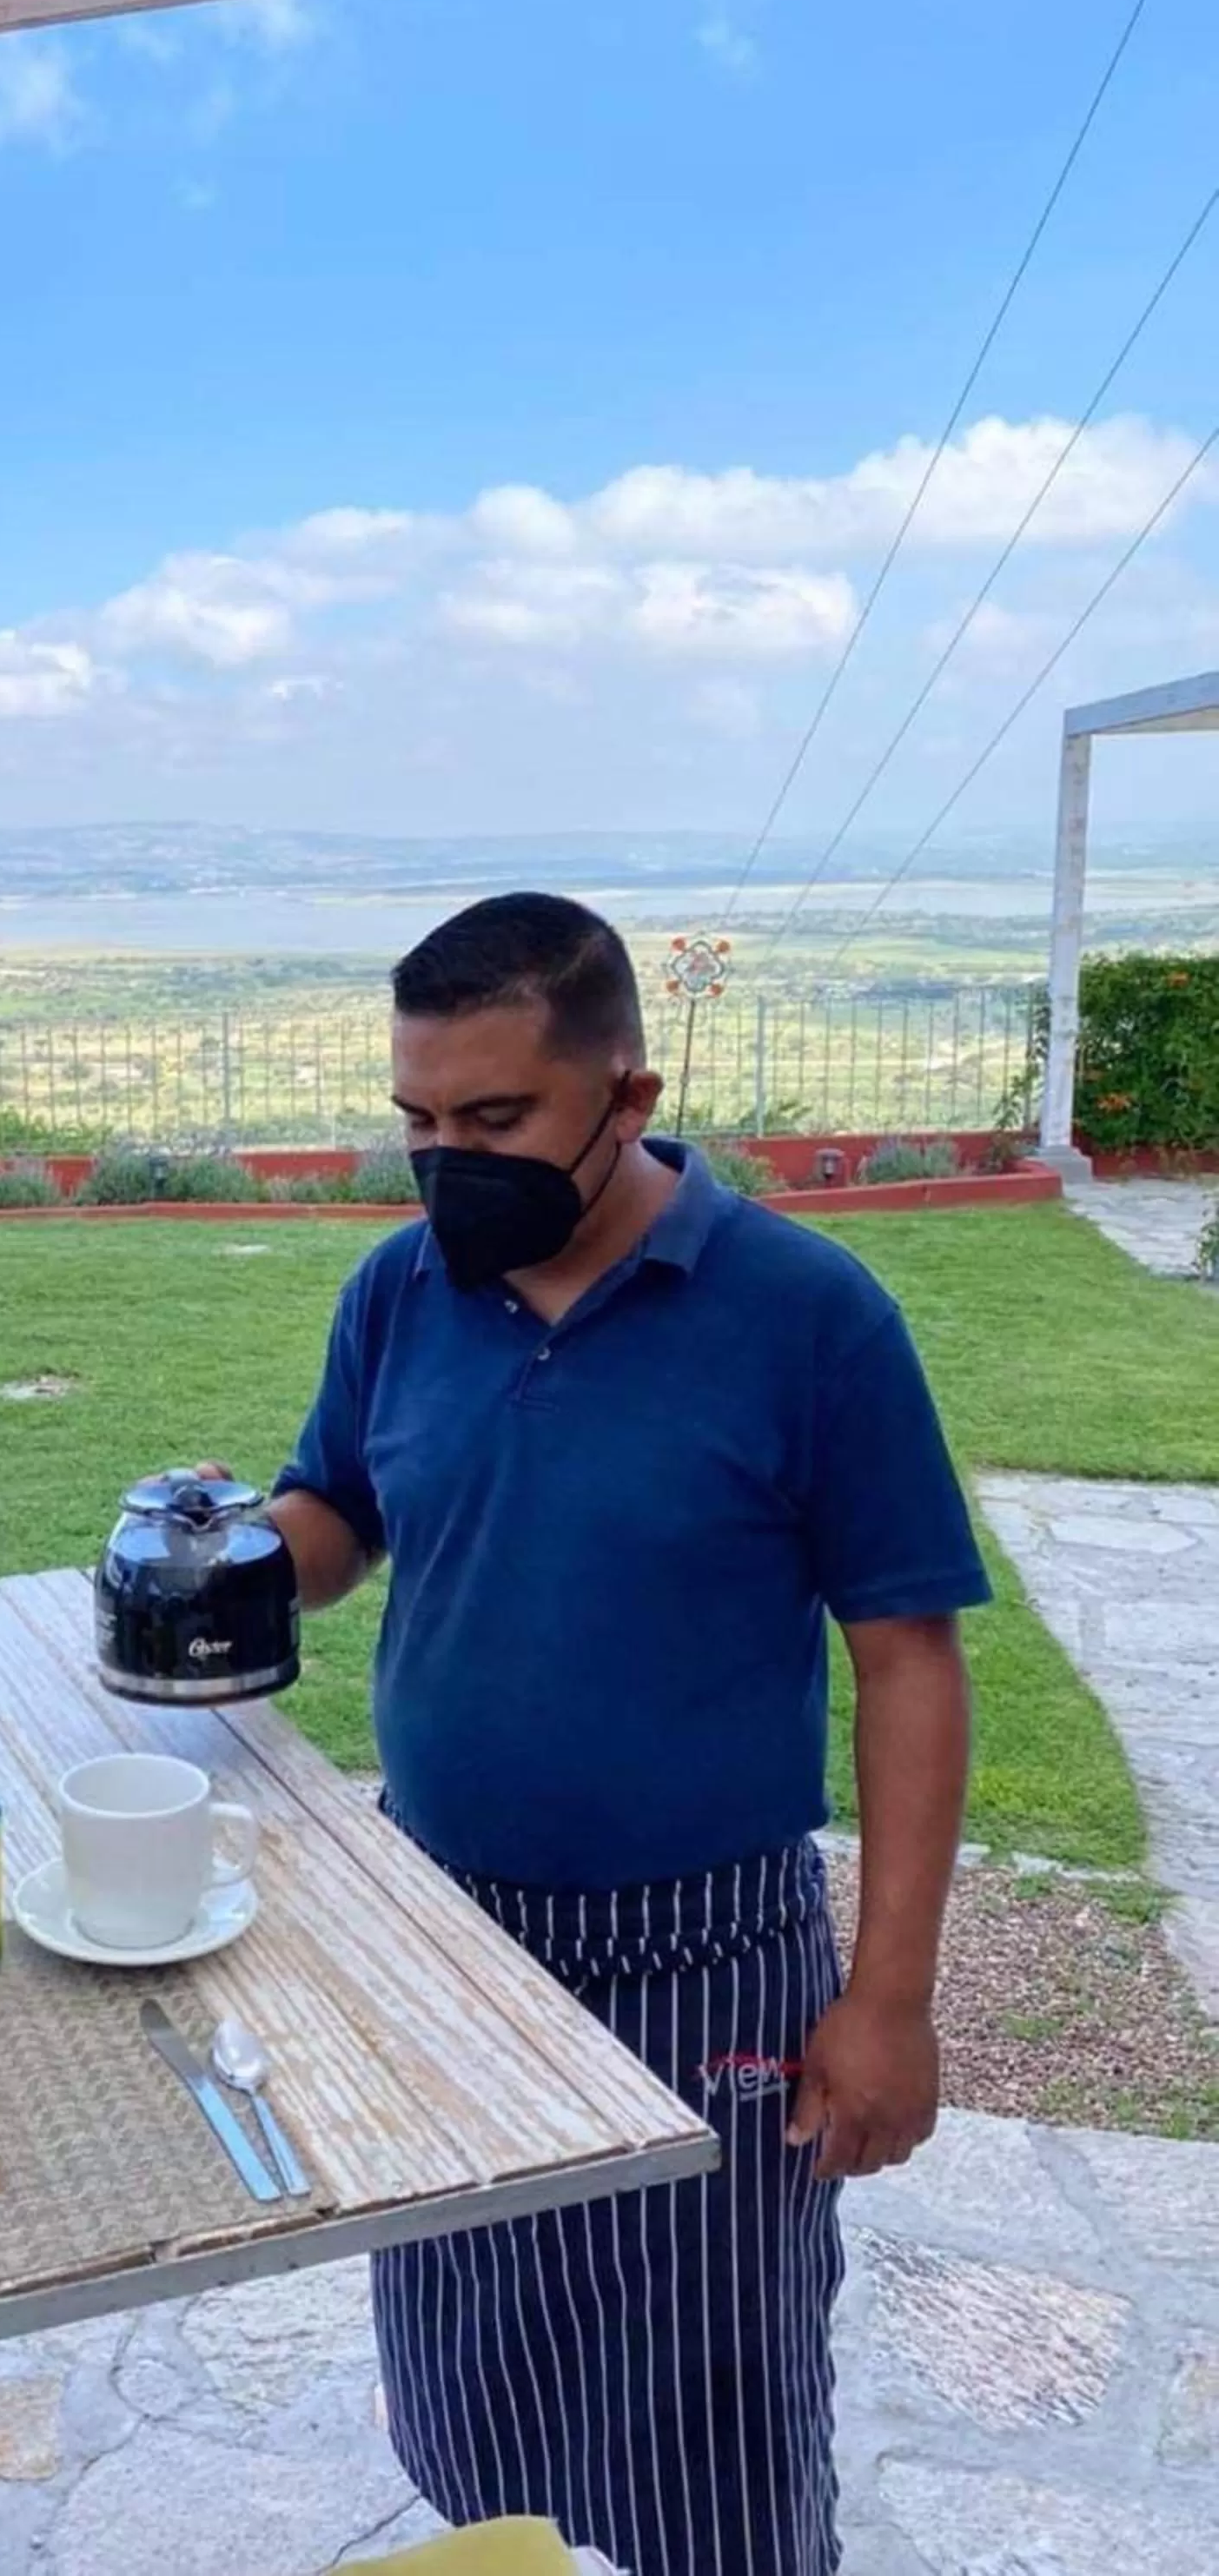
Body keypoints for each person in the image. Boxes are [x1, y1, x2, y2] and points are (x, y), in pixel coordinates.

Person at [234, 894, 989, 2576]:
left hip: (704, 1961)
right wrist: (221, 1559)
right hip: (443, 1944)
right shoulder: (399, 1290)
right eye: (417, 1124)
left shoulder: (807, 1318)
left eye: (493, 1121)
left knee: (707, 2425)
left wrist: (887, 2002)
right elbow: (340, 1515)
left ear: (626, 1098)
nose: (448, 1164)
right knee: (469, 2387)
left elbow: (909, 1662)